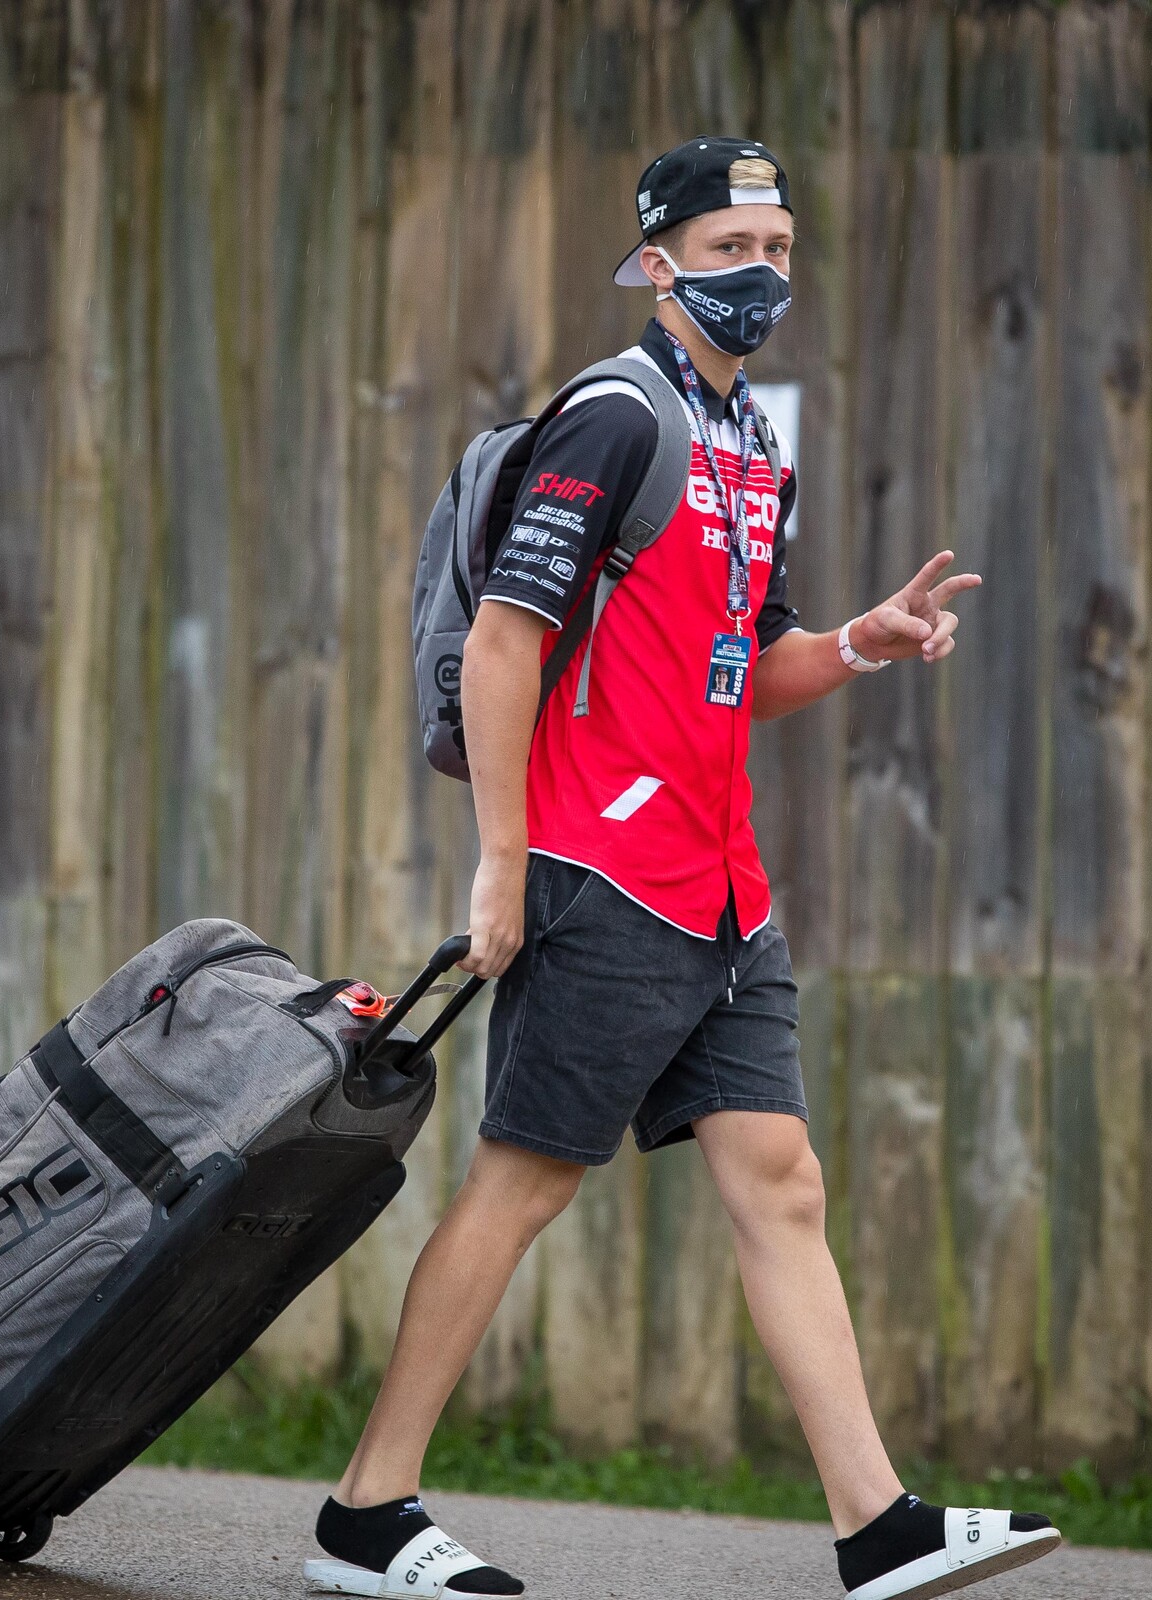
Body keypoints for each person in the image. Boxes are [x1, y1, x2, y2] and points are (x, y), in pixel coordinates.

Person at [300, 139, 1063, 1600]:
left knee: (779, 1181)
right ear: (657, 260)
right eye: (729, 246)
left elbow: (745, 666)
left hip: (725, 894)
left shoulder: (750, 445)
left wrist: (856, 642)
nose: (761, 272)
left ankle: (878, 1527)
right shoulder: (615, 418)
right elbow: (508, 646)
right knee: (523, 1185)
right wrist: (503, 871)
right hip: (604, 876)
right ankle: (368, 1507)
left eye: (779, 246)